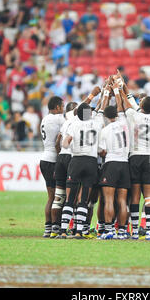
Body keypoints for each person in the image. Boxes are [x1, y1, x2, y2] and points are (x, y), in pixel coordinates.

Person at [120, 82, 150, 240]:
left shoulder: (134, 115)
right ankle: (149, 231)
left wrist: (119, 87)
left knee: (134, 196)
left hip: (134, 157)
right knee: (149, 197)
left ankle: (134, 231)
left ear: (141, 105)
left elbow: (127, 101)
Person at [58, 87, 104, 239]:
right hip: (91, 162)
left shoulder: (74, 124)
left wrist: (66, 145)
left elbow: (65, 142)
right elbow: (101, 109)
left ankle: (63, 231)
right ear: (89, 113)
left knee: (70, 198)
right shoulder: (96, 124)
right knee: (84, 199)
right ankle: (78, 231)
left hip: (76, 160)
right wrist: (105, 94)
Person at [98, 85, 130, 240]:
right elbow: (120, 105)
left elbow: (102, 151)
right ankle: (123, 231)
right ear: (117, 114)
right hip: (125, 163)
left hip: (111, 163)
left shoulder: (105, 130)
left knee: (108, 200)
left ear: (105, 116)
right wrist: (117, 90)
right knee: (122, 200)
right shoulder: (125, 123)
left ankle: (109, 230)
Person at [50, 101, 78, 238]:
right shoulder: (78, 123)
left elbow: (57, 142)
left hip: (60, 158)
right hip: (71, 159)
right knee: (72, 196)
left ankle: (54, 228)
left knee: (58, 196)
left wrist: (60, 156)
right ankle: (71, 227)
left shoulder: (65, 123)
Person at [39, 96, 65, 238]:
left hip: (44, 159)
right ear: (57, 107)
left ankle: (48, 227)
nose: (63, 109)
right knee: (58, 196)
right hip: (54, 160)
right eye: (62, 106)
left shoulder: (45, 118)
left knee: (51, 197)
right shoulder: (58, 118)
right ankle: (56, 226)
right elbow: (75, 119)